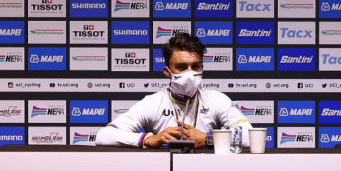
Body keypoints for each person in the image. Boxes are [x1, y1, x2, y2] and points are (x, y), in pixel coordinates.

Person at [95, 32, 254, 148]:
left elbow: (251, 137)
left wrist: (208, 139)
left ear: (202, 68)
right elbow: (103, 136)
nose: (190, 74)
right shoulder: (153, 103)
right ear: (167, 71)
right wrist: (148, 139)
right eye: (181, 67)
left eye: (195, 66)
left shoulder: (217, 100)